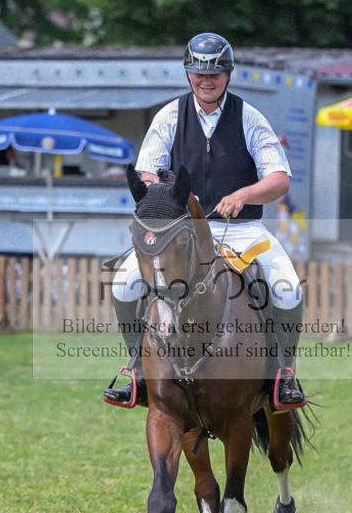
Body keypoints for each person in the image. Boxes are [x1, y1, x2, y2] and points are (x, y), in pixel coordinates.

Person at [104, 32, 306, 410]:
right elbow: (147, 173)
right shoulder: (169, 116)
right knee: (122, 283)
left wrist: (244, 194)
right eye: (198, 72)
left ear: (229, 74)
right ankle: (137, 373)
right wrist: (174, 196)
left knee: (287, 287)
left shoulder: (249, 116)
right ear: (188, 73)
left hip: (243, 231)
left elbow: (279, 179)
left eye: (214, 73)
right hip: (181, 232)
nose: (206, 80)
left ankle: (283, 376)